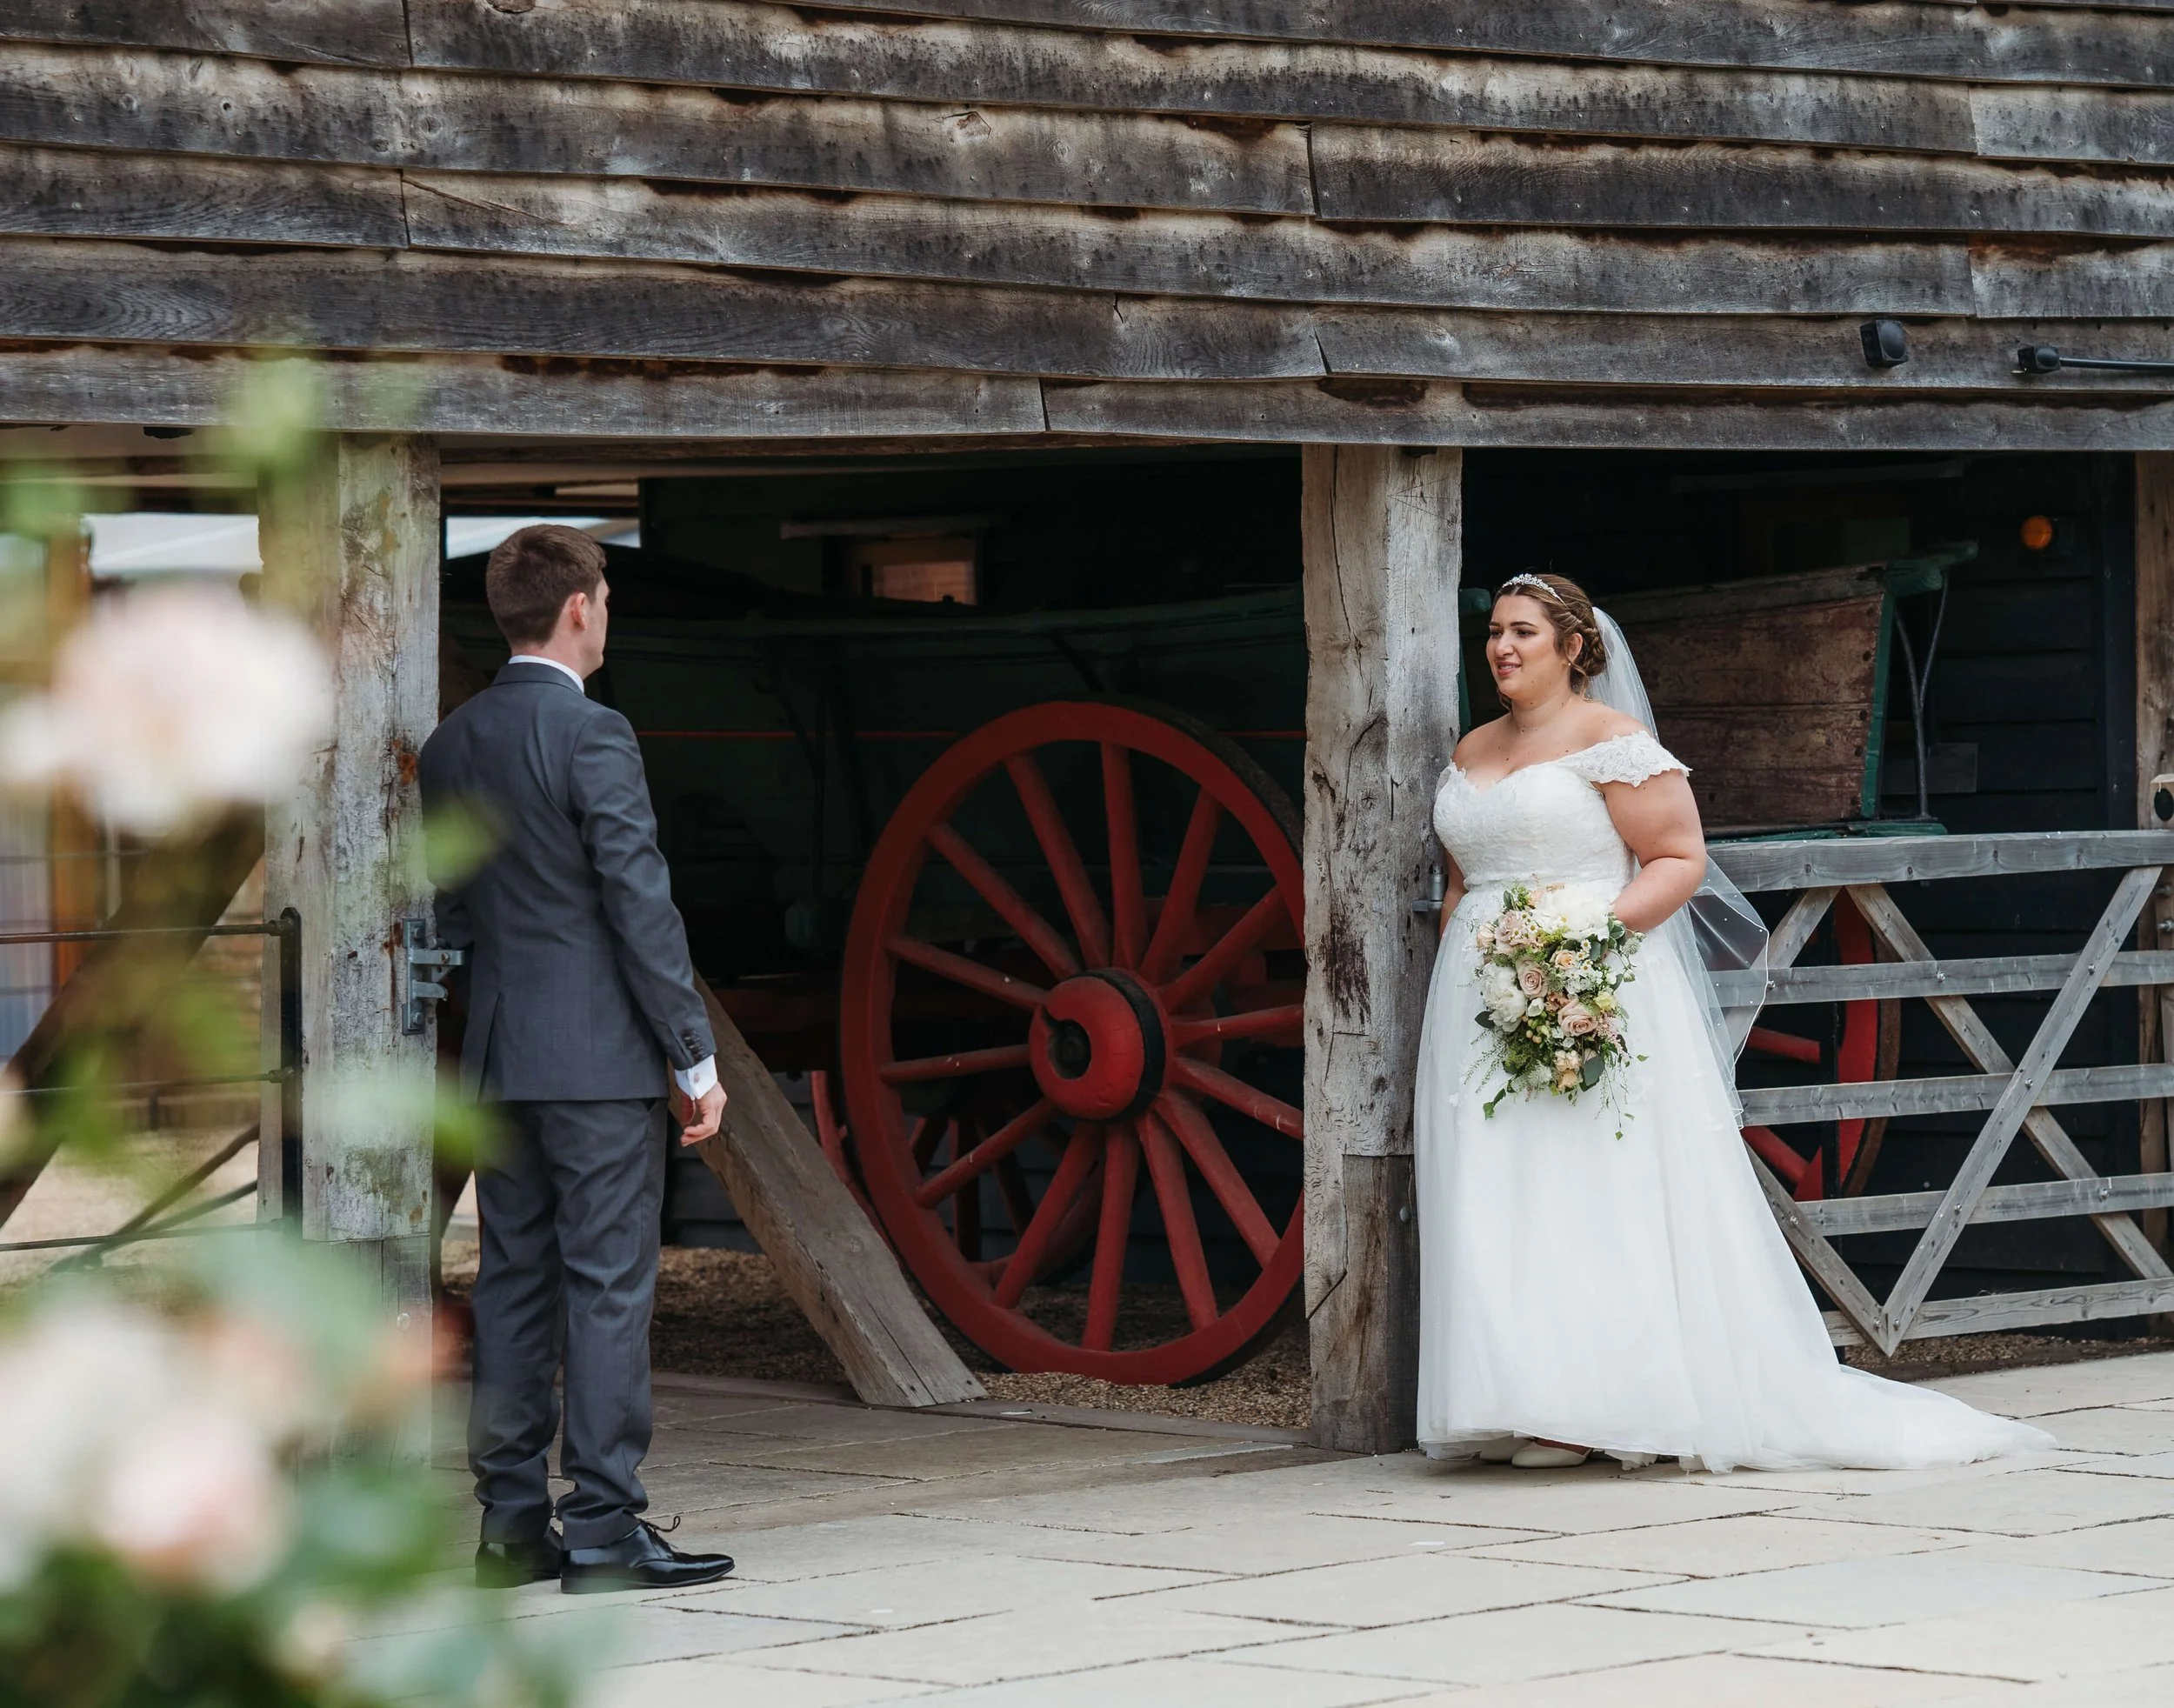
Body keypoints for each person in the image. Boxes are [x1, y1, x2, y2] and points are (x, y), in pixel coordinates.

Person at [1415, 570, 2053, 1472]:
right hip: (1475, 998)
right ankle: (1514, 1392)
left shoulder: (1613, 742)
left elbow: (1677, 858)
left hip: (1588, 983)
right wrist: (1465, 979)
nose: (1502, 647)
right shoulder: (1474, 746)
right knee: (1494, 1190)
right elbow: (1457, 883)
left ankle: (1594, 1405)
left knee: (1581, 1186)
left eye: (1523, 631)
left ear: (1572, 648)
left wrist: (1583, 956)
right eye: (1494, 631)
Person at [420, 524, 738, 1591]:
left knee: (513, 1281)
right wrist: (691, 1053)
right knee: (608, 1288)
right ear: (578, 609)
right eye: (603, 595)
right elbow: (638, 903)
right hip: (599, 1059)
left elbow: (454, 909)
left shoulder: (451, 743)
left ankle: (509, 1528)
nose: (606, 612)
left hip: (502, 1055)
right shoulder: (594, 733)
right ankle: (602, 1525)